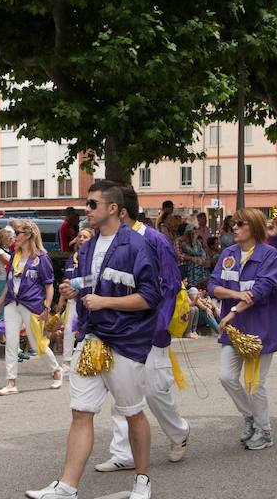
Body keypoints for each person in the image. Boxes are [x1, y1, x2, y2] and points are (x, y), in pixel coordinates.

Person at [27, 180, 160, 499]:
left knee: (132, 412)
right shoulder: (86, 248)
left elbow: (150, 296)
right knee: (81, 412)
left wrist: (105, 302)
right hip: (92, 340)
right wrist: (76, 291)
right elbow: (91, 285)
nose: (85, 210)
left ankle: (142, 479)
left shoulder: (137, 246)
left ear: (112, 208)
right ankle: (68, 486)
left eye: (92, 204)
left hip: (125, 342)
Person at [96, 186, 189, 474]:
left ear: (120, 211)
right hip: (119, 329)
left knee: (155, 388)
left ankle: (179, 432)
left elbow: (170, 284)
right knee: (122, 389)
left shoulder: (154, 240)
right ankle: (123, 452)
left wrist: (159, 325)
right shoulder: (108, 242)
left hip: (151, 328)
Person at [209, 208, 277, 450]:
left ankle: (265, 431)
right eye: (233, 223)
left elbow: (261, 289)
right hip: (235, 330)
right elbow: (213, 284)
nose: (234, 227)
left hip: (262, 328)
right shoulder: (229, 253)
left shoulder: (270, 255)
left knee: (255, 383)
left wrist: (233, 311)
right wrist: (234, 294)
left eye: (240, 224)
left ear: (253, 227)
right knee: (226, 376)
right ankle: (250, 417)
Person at [0, 220, 62, 395]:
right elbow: (9, 283)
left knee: (37, 342)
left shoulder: (41, 258)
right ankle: (11, 382)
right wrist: (0, 303)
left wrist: (46, 307)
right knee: (11, 343)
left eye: (19, 233)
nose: (16, 236)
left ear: (29, 235)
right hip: (11, 303)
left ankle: (56, 370)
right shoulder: (15, 255)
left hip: (31, 305)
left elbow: (49, 285)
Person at [58, 227, 94, 370]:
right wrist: (62, 299)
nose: (81, 239)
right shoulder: (71, 259)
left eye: (85, 237)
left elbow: (95, 278)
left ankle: (85, 360)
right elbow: (66, 280)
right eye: (79, 236)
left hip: (90, 299)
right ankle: (67, 361)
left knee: (88, 330)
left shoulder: (94, 257)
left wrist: (79, 288)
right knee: (69, 329)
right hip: (73, 300)